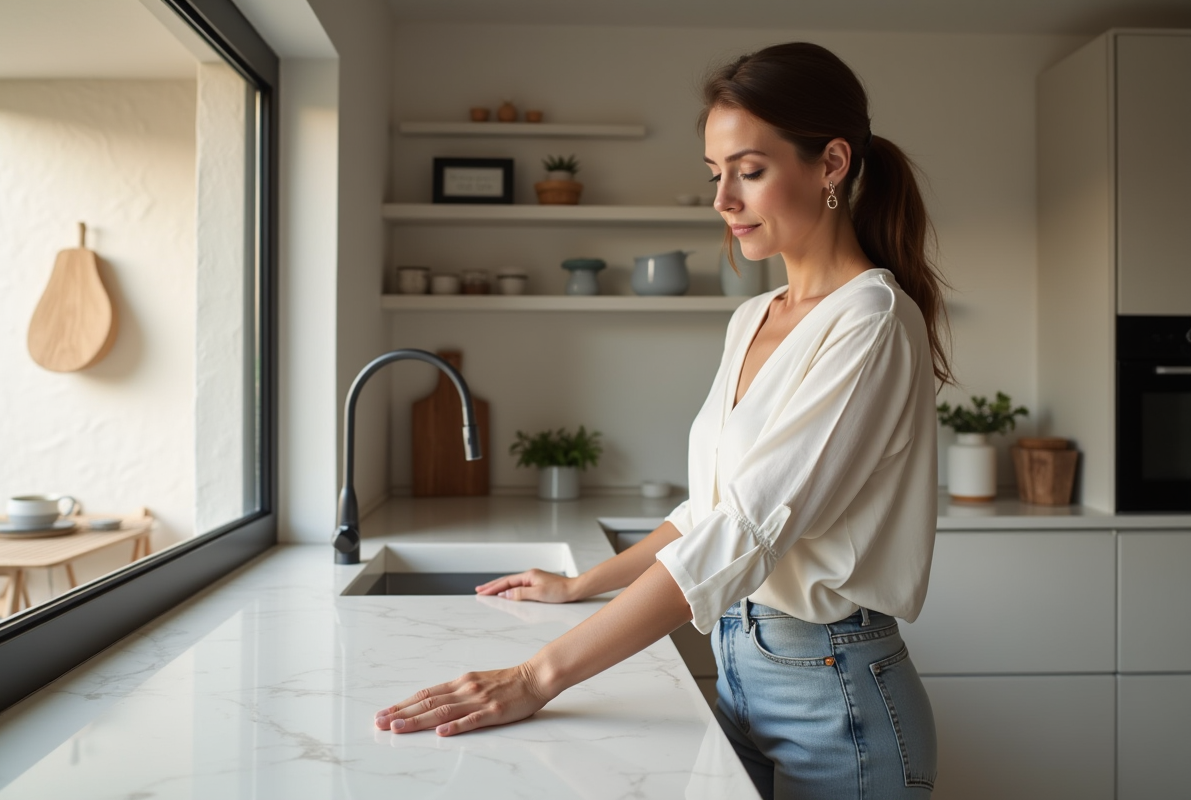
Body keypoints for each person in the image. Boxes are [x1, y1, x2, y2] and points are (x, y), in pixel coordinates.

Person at [375, 41, 953, 800]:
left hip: (835, 692)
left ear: (832, 164)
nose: (723, 200)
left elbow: (745, 529)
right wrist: (584, 584)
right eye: (716, 174)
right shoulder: (753, 316)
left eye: (749, 171)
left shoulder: (870, 320)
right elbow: (710, 509)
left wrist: (537, 676)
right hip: (740, 665)